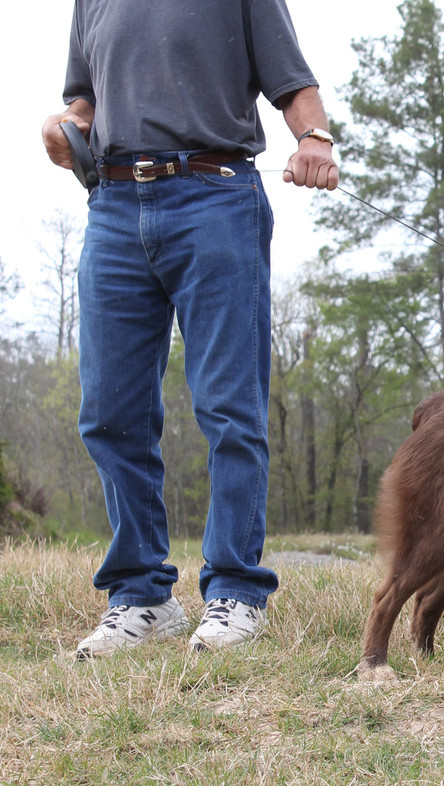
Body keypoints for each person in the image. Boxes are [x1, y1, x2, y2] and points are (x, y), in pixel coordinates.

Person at [41, 0, 339, 658]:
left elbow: (295, 84)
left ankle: (236, 591)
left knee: (228, 407)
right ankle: (142, 598)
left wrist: (313, 139)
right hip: (114, 207)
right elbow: (83, 104)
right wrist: (63, 129)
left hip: (216, 198)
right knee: (109, 412)